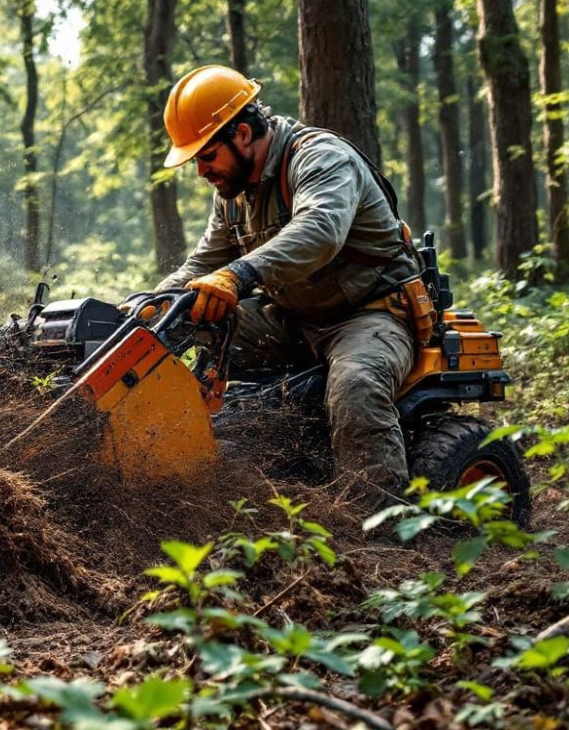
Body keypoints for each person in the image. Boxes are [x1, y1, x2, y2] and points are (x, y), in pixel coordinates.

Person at [143, 64, 422, 500]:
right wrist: (152, 306)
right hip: (293, 317)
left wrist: (239, 275)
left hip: (369, 315)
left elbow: (321, 229)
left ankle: (378, 525)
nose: (201, 171)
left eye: (206, 156)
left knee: (356, 387)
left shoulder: (321, 158)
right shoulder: (233, 196)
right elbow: (203, 264)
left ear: (241, 135)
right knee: (183, 319)